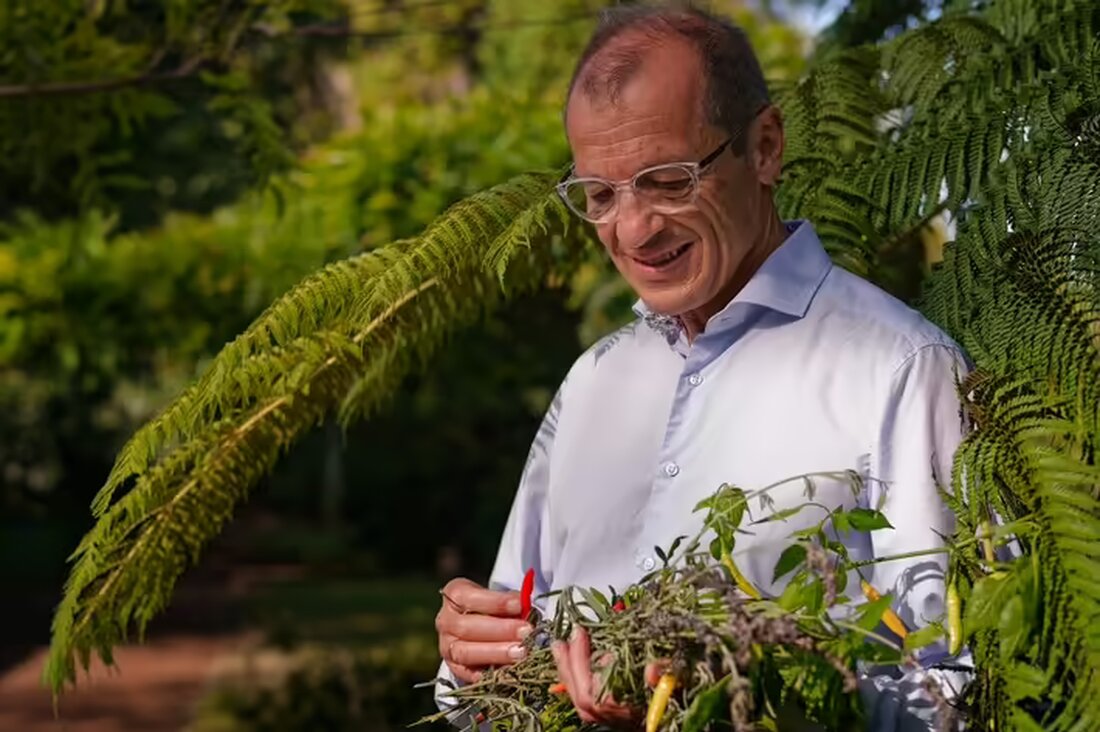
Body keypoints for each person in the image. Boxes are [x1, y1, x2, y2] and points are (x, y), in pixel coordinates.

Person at [434, 4, 971, 729]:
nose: (633, 229)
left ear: (765, 147)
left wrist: (734, 698)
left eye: (667, 180)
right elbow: (498, 672)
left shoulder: (902, 370)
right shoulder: (594, 383)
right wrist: (471, 662)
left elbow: (958, 691)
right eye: (600, 195)